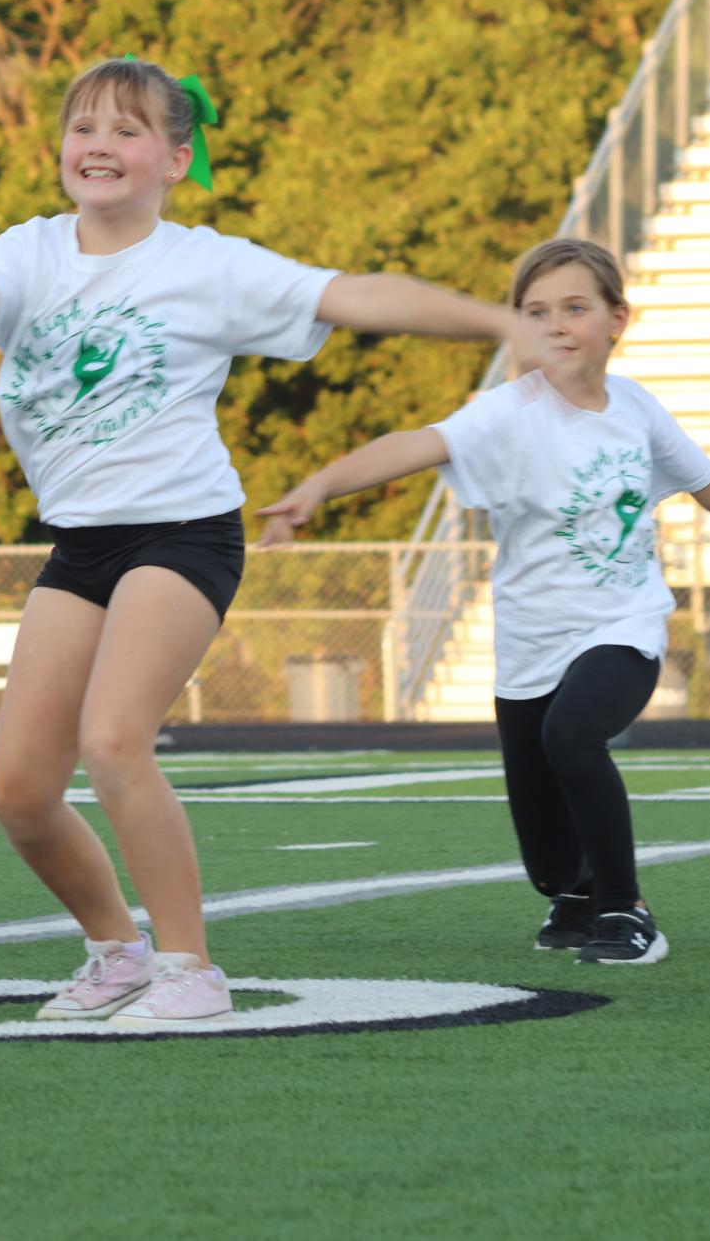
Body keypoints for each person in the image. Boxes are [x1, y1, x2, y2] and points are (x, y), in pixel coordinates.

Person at [0, 57, 515, 1022]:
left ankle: (191, 969)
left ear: (175, 160)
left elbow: (355, 296)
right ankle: (116, 952)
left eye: (124, 130)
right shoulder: (28, 252)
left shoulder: (209, 266)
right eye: (81, 127)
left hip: (182, 536)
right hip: (79, 547)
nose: (97, 146)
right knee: (17, 790)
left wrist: (498, 321)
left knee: (113, 740)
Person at [260, 238, 710, 966]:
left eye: (574, 308)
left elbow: (699, 480)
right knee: (547, 865)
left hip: (621, 627)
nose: (555, 324)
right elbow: (416, 442)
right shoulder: (507, 411)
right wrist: (318, 485)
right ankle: (578, 891)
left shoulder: (636, 407)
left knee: (573, 735)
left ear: (616, 319)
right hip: (529, 646)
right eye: (534, 312)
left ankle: (626, 910)